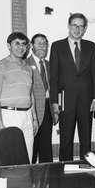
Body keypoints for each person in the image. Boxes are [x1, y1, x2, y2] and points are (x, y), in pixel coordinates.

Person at [49, 13, 95, 161]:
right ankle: (64, 167)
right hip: (65, 101)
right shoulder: (57, 46)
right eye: (74, 25)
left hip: (86, 100)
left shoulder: (91, 47)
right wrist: (54, 102)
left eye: (81, 26)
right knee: (65, 139)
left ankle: (87, 165)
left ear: (85, 29)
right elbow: (54, 77)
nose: (77, 29)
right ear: (68, 26)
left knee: (86, 138)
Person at [0, 32, 38, 162]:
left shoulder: (28, 68)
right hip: (9, 116)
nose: (21, 47)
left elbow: (31, 94)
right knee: (9, 161)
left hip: (27, 116)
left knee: (27, 160)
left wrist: (34, 118)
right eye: (16, 43)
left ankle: (25, 183)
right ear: (8, 46)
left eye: (24, 44)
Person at [25, 34, 58, 163]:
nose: (42, 46)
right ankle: (30, 177)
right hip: (32, 110)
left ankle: (48, 178)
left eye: (44, 43)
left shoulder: (49, 65)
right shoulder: (25, 64)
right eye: (38, 43)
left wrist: (55, 110)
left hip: (47, 109)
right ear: (32, 46)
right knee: (31, 147)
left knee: (46, 146)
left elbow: (53, 87)